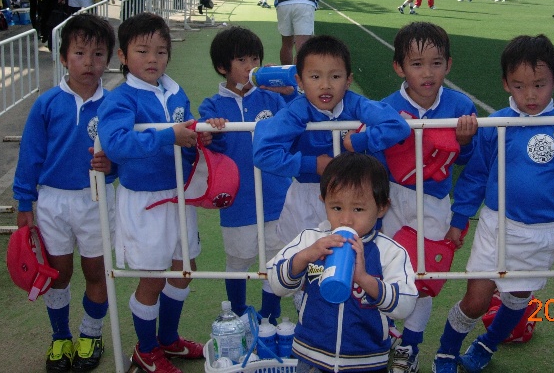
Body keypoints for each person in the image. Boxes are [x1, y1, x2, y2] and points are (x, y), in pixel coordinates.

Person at [433, 35, 554, 373]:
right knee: (476, 300)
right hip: (496, 225)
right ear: (506, 83)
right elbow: (476, 176)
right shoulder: (497, 123)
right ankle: (446, 351)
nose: (530, 95)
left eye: (539, 85)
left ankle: (486, 344)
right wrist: (459, 219)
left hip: (544, 231)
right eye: (519, 86)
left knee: (518, 298)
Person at [97, 13, 205, 373]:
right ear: (123, 56)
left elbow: (187, 136)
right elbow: (116, 144)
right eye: (142, 51)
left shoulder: (175, 91)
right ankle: (146, 349)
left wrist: (200, 136)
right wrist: (168, 136)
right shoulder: (120, 98)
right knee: (152, 277)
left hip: (179, 196)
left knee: (185, 269)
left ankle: (168, 339)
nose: (153, 59)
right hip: (144, 202)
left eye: (160, 51)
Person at [12, 14, 116, 372]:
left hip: (96, 198)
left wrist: (113, 166)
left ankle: (91, 334)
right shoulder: (46, 104)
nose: (89, 63)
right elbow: (30, 155)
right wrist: (24, 202)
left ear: (109, 59)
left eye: (98, 54)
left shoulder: (114, 105)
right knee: (58, 273)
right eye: (80, 53)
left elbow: (124, 154)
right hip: (51, 201)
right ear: (63, 58)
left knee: (96, 271)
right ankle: (60, 337)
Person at [381, 22, 478, 373]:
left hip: (435, 202)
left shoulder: (460, 106)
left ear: (448, 65)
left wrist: (464, 142)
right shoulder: (385, 108)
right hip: (391, 199)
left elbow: (469, 163)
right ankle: (382, 337)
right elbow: (373, 160)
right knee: (386, 270)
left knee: (423, 279)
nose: (427, 73)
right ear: (399, 67)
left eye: (436, 63)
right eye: (417, 64)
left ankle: (410, 346)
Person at [267, 152, 419, 373]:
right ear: (323, 202)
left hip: (367, 361)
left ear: (382, 208)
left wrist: (365, 280)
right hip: (310, 356)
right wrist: (304, 257)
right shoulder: (310, 240)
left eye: (358, 209)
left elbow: (404, 305)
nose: (346, 219)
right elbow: (276, 283)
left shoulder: (389, 252)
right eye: (336, 208)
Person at [253, 34, 411, 246]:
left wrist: (359, 141)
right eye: (315, 77)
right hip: (307, 195)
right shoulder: (296, 112)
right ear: (300, 81)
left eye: (335, 77)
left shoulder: (355, 104)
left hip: (351, 198)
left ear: (348, 80)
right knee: (303, 253)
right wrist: (312, 165)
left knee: (354, 252)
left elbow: (398, 126)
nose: (325, 85)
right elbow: (263, 153)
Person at [199, 26, 293, 324]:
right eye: (241, 60)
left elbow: (297, 120)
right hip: (237, 202)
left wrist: (289, 92)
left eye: (255, 59)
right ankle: (237, 313)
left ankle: (270, 315)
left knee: (277, 260)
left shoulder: (272, 98)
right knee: (238, 260)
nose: (250, 66)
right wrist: (211, 130)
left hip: (277, 197)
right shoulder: (212, 106)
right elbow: (209, 143)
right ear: (222, 67)